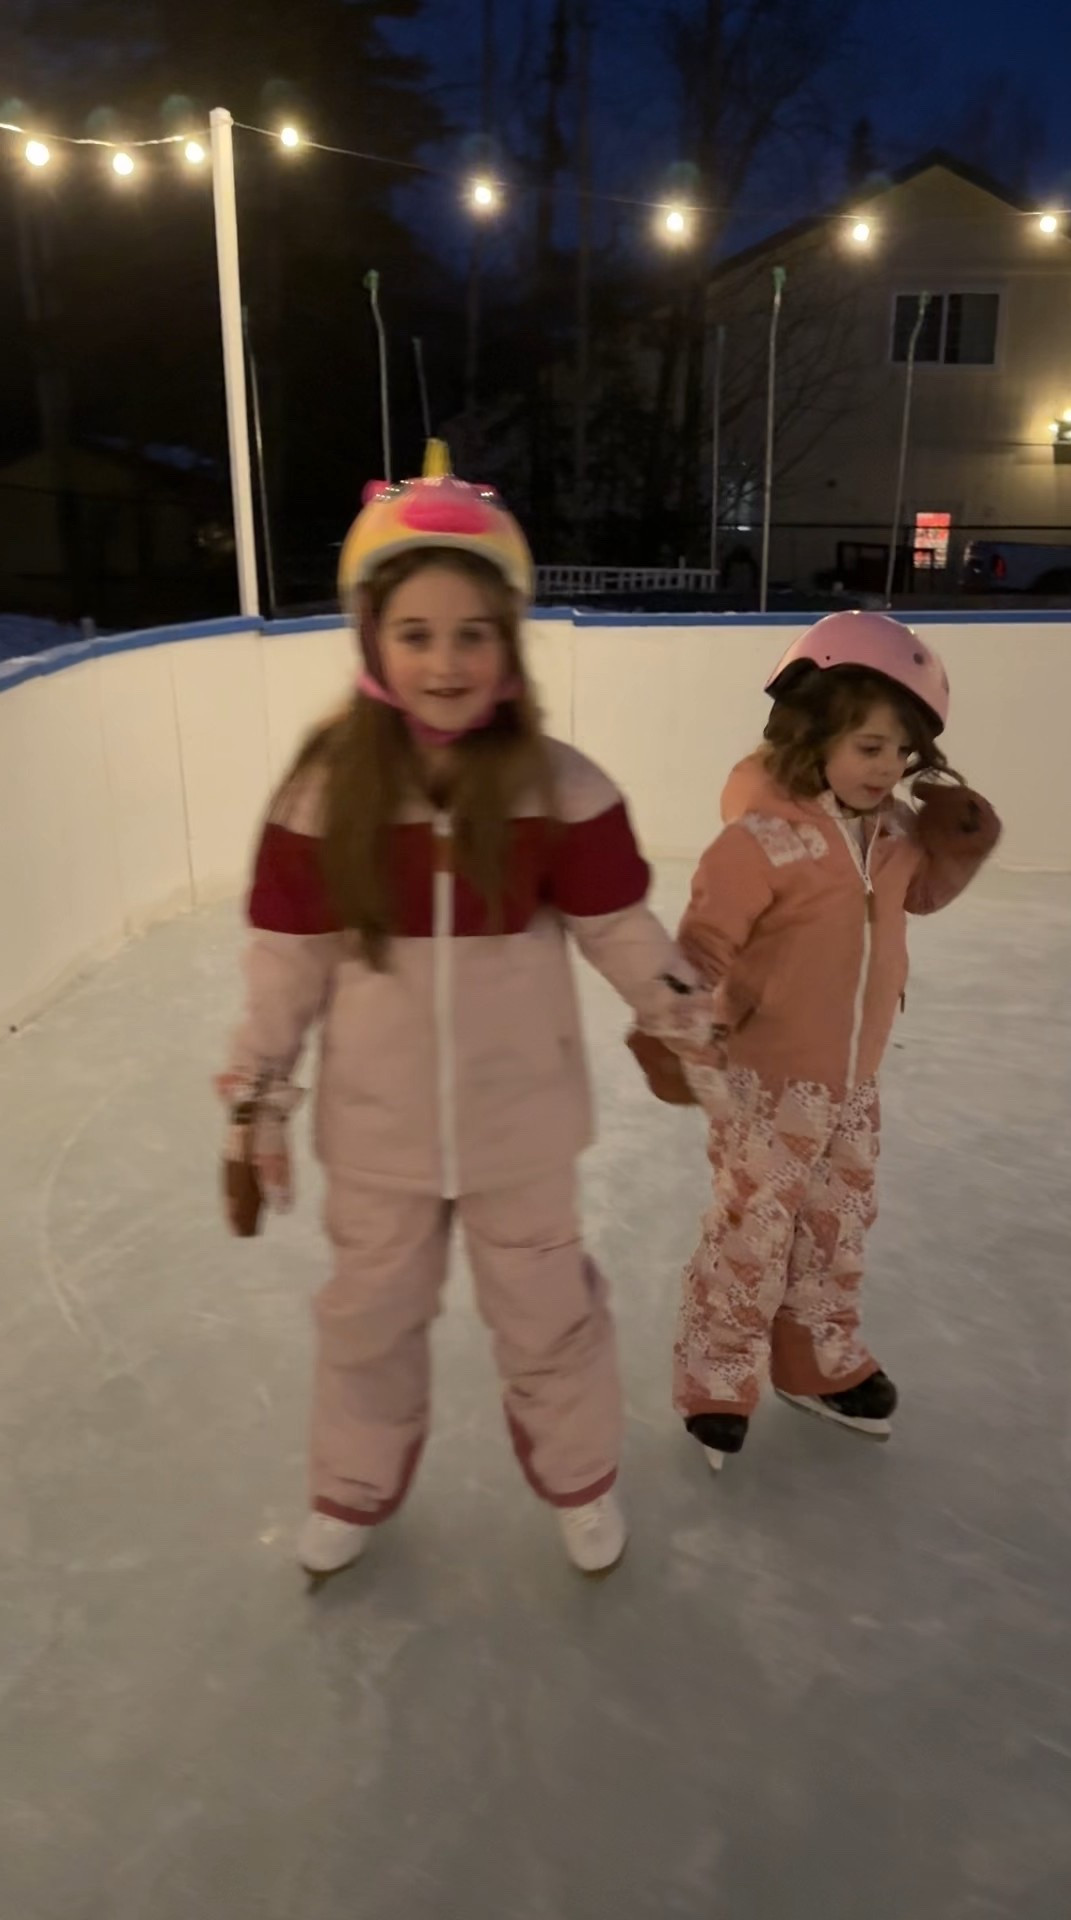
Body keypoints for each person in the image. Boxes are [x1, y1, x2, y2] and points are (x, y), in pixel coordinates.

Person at [217, 444, 708, 1580]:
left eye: (472, 634)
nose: (446, 662)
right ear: (372, 645)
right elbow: (286, 966)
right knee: (367, 1322)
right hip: (378, 1135)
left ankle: (580, 1483)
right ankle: (352, 1487)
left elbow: (621, 927)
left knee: (551, 1318)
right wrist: (256, 1097)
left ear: (508, 647)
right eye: (418, 634)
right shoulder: (321, 799)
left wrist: (680, 1014)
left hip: (519, 1130)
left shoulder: (560, 789)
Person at [628, 611, 1001, 1471]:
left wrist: (958, 847)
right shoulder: (763, 837)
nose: (890, 768)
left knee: (837, 1227)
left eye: (903, 751)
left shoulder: (896, 831)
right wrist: (672, 1021)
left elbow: (915, 903)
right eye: (870, 746)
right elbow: (705, 938)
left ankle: (814, 1362)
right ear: (814, 730)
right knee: (751, 1232)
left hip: (853, 1077)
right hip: (766, 1078)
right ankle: (718, 1377)